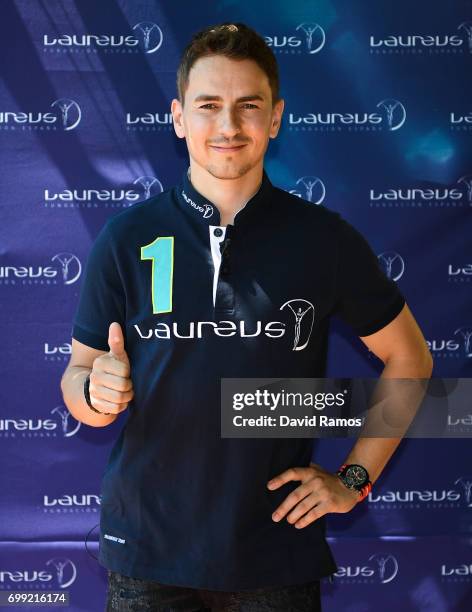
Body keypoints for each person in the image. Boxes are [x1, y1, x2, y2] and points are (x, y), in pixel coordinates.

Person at [60, 22, 433, 612]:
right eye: (209, 106)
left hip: (274, 553)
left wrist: (353, 480)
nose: (229, 127)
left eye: (247, 106)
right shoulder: (126, 236)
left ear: (276, 118)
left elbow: (411, 358)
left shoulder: (323, 239)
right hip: (147, 553)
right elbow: (78, 379)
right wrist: (93, 389)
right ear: (179, 118)